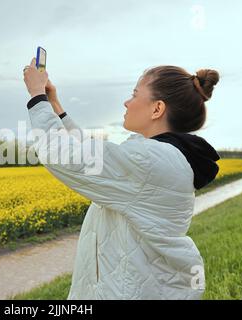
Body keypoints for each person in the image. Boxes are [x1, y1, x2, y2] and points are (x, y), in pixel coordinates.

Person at [22, 57, 220, 299]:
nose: (127, 102)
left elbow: (65, 156)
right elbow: (95, 154)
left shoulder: (150, 159)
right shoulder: (161, 157)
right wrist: (55, 105)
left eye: (135, 94)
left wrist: (36, 96)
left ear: (157, 108)